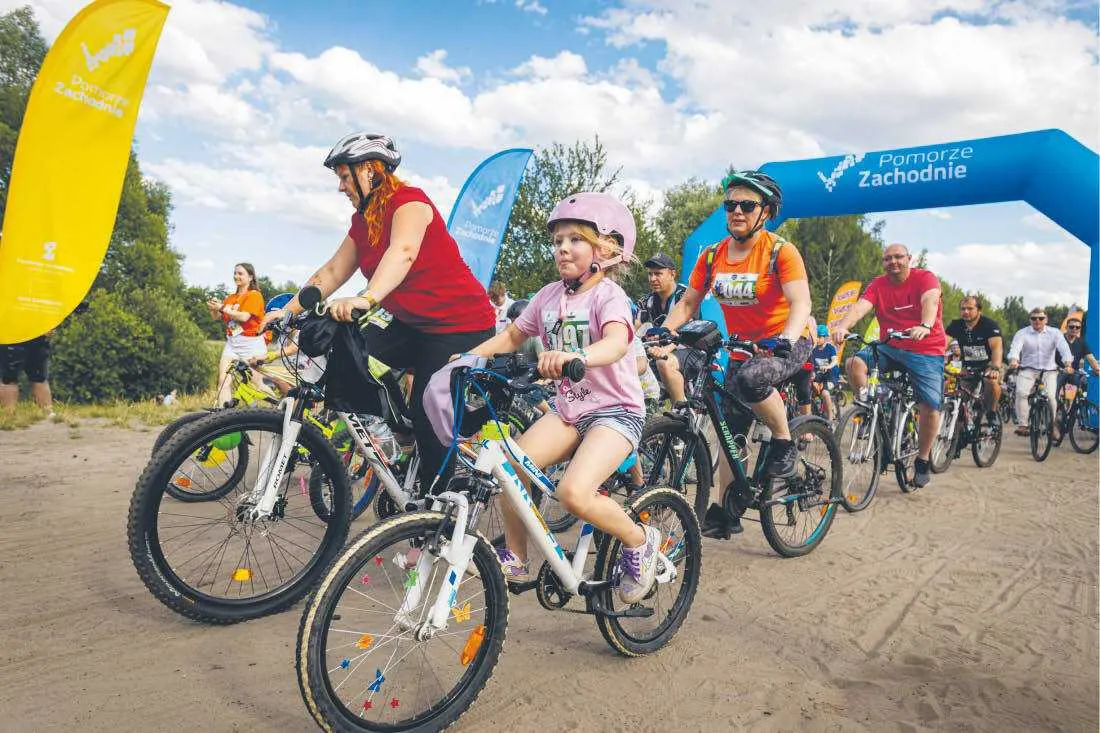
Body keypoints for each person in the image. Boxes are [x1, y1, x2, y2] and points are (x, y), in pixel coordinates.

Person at [261, 132, 495, 490]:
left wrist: (367, 299)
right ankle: (401, 437)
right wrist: (288, 311)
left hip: (459, 325)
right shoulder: (362, 221)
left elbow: (403, 251)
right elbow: (332, 272)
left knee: (426, 409)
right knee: (348, 353)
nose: (341, 187)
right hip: (410, 323)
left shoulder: (410, 203)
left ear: (370, 170)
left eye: (343, 176)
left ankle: (436, 504)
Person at [460, 191, 660, 604]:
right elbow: (515, 335)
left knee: (573, 493)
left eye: (575, 239)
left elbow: (618, 343)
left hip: (615, 413)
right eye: (557, 241)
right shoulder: (549, 295)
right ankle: (515, 554)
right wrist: (468, 357)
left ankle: (640, 539)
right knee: (508, 467)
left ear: (604, 249)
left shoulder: (609, 297)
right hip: (570, 411)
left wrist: (578, 356)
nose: (563, 248)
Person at [657, 170, 813, 537]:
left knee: (752, 380)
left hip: (788, 338)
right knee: (730, 427)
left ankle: (783, 443)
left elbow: (800, 302)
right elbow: (690, 301)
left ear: (767, 212)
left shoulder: (780, 251)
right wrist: (665, 329)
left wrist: (787, 338)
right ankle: (729, 510)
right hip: (746, 344)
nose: (736, 211)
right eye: (730, 205)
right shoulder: (713, 255)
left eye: (746, 205)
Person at [831, 243, 946, 490]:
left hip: (925, 348)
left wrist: (925, 325)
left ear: (909, 258)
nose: (893, 262)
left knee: (930, 405)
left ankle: (923, 459)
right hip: (890, 346)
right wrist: (843, 326)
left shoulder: (925, 278)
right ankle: (876, 413)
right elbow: (862, 306)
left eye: (898, 257)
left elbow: (930, 300)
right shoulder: (879, 284)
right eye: (887, 258)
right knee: (853, 364)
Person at [639, 252, 698, 405]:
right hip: (661, 352)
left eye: (658, 273)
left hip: (692, 350)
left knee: (663, 362)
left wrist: (665, 350)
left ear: (672, 274)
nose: (652, 279)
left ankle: (681, 413)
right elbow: (633, 325)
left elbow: (686, 334)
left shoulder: (684, 296)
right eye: (650, 274)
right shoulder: (649, 300)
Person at [207, 263, 267, 407]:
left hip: (251, 345)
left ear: (250, 277)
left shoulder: (254, 295)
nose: (236, 276)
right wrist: (214, 308)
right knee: (223, 381)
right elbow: (217, 318)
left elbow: (244, 317)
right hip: (232, 344)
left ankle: (280, 407)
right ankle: (224, 418)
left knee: (256, 385)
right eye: (235, 273)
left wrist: (222, 307)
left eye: (240, 274)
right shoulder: (231, 298)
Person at [1007, 307, 1073, 436]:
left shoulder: (1055, 333)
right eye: (1034, 318)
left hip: (1049, 371)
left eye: (1041, 318)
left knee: (1051, 397)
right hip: (1028, 370)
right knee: (1021, 392)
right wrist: (1014, 360)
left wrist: (1067, 363)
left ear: (1046, 320)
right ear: (1030, 320)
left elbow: (1064, 348)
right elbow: (1015, 348)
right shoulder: (1022, 333)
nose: (1037, 320)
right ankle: (1023, 425)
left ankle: (1051, 425)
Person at [944, 296, 1004, 414]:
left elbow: (997, 348)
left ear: (979, 310)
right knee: (952, 389)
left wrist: (995, 368)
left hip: (989, 364)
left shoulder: (990, 325)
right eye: (963, 309)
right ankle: (958, 422)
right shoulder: (956, 325)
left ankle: (992, 413)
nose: (966, 312)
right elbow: (943, 343)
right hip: (968, 366)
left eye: (970, 308)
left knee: (991, 381)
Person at [0, 332, 54, 415]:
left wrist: (49, 327)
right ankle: (8, 415)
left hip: (36, 336)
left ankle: (48, 413)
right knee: (9, 380)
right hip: (10, 337)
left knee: (39, 378)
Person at [1057, 315, 1099, 391]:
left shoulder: (1082, 343)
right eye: (1071, 327)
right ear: (1066, 327)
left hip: (1073, 374)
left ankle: (1072, 401)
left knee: (1082, 385)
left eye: (1077, 327)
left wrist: (1097, 369)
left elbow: (1091, 360)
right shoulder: (1058, 340)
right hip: (1058, 372)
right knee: (1053, 394)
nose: (1074, 329)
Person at [810, 324, 839, 421]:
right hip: (820, 375)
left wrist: (829, 366)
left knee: (825, 393)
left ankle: (830, 419)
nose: (817, 339)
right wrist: (812, 373)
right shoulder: (813, 350)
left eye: (819, 337)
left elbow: (835, 361)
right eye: (816, 336)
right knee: (810, 387)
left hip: (831, 375)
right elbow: (812, 365)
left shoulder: (830, 348)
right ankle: (816, 408)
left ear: (825, 337)